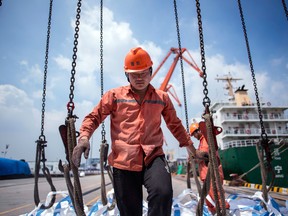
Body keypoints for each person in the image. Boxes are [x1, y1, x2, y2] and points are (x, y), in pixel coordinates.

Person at [72, 47, 204, 216]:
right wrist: (84, 137)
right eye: (135, 74)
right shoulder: (114, 96)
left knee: (163, 193)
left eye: (144, 73)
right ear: (127, 75)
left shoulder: (162, 97)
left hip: (153, 156)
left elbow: (175, 125)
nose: (140, 78)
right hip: (123, 160)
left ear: (151, 71)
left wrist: (193, 151)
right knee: (129, 211)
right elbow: (94, 117)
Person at [189, 122, 230, 214]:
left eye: (194, 134)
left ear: (198, 131)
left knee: (217, 195)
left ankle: (224, 211)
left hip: (212, 175)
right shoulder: (202, 142)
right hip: (206, 176)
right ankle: (214, 212)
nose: (194, 137)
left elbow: (204, 154)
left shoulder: (206, 140)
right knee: (209, 199)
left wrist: (194, 156)